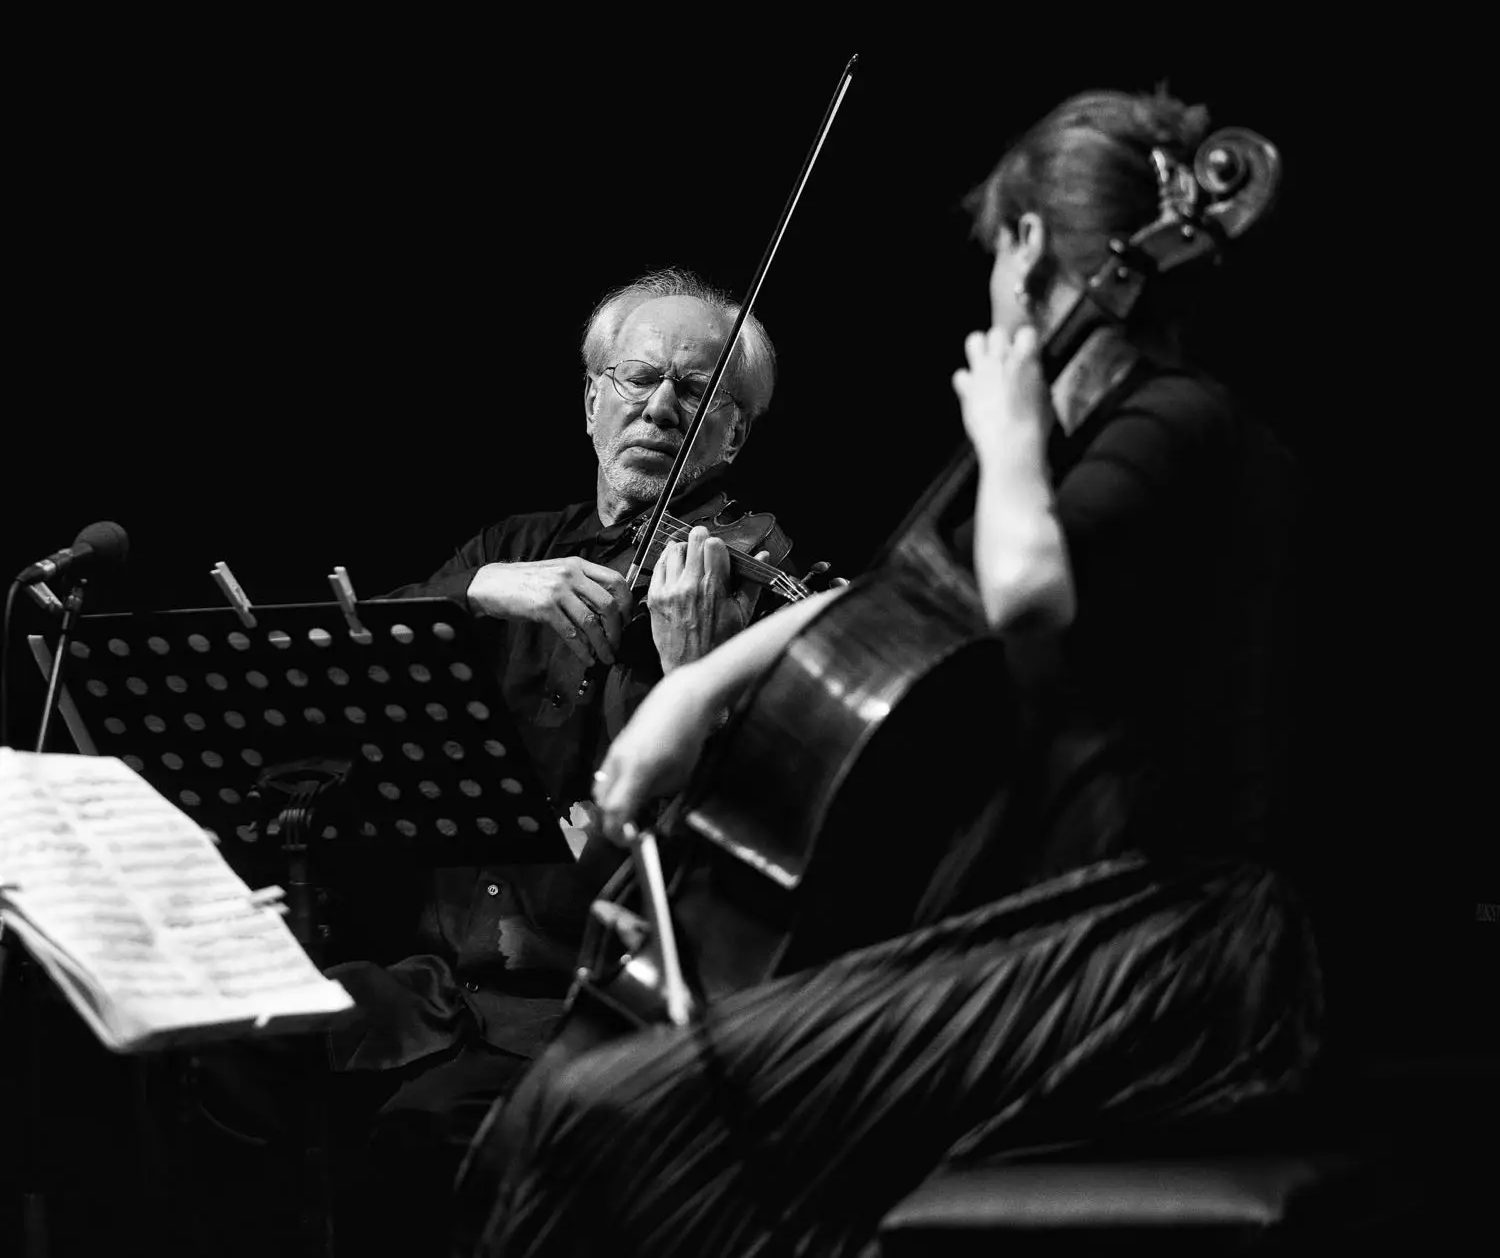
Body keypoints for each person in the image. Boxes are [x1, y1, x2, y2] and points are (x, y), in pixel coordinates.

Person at [454, 88, 1325, 1258]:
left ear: (1028, 244)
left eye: (999, 252)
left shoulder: (1174, 425)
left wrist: (1008, 438)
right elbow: (907, 592)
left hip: (1157, 959)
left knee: (600, 1113)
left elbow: (1021, 592)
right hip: (1071, 937)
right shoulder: (1091, 457)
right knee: (616, 1115)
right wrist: (696, 690)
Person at [202, 269, 799, 1256]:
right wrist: (477, 590)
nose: (660, 408)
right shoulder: (517, 547)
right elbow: (348, 665)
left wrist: (695, 678)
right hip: (434, 985)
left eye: (695, 392)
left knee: (419, 1142)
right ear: (592, 400)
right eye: (638, 377)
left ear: (732, 436)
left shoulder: (747, 591)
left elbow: (761, 835)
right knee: (222, 1052)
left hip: (598, 1005)